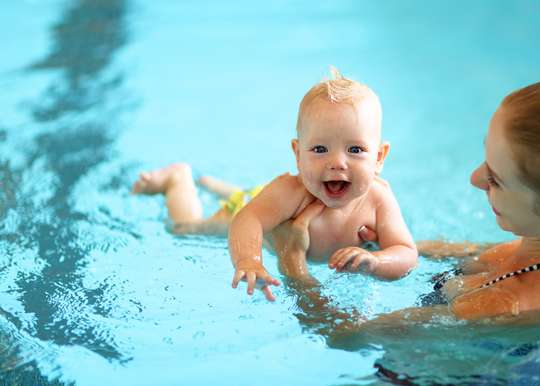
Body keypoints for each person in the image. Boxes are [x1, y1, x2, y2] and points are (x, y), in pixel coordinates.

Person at [281, 77, 540, 323]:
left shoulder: (500, 305)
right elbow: (491, 255)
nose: (475, 178)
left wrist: (293, 264)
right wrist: (390, 248)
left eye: (496, 178)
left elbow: (346, 337)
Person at [132, 68, 418, 301]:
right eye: (320, 149)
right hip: (255, 204)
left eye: (355, 150)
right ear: (297, 154)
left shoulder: (379, 198)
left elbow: (405, 252)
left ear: (379, 157)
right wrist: (248, 259)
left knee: (265, 201)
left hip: (270, 203)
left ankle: (220, 186)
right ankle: (177, 180)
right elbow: (248, 218)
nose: (337, 163)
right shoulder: (292, 191)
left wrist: (376, 262)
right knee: (187, 229)